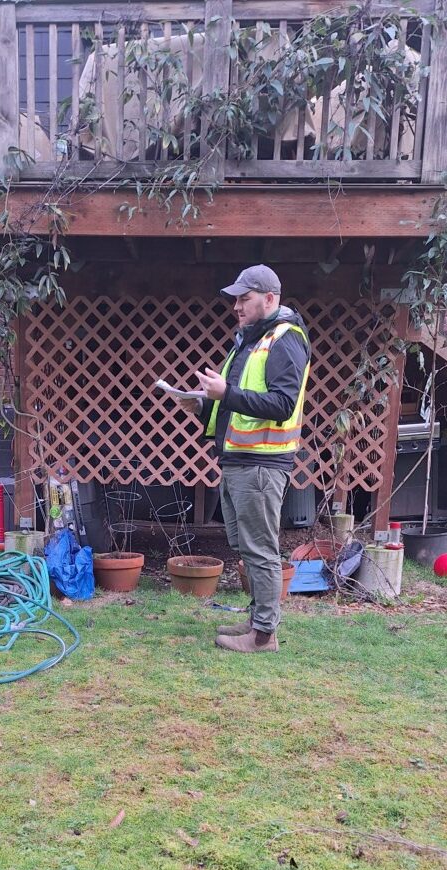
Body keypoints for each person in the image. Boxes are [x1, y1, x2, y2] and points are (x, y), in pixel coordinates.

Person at [176, 265, 310, 653]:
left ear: (270, 299)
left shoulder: (284, 340)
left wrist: (224, 394)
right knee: (245, 543)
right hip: (239, 462)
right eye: (235, 299)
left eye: (244, 298)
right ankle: (257, 619)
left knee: (261, 549)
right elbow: (233, 404)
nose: (236, 306)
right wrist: (200, 405)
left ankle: (264, 635)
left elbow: (282, 404)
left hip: (262, 465)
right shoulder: (249, 341)